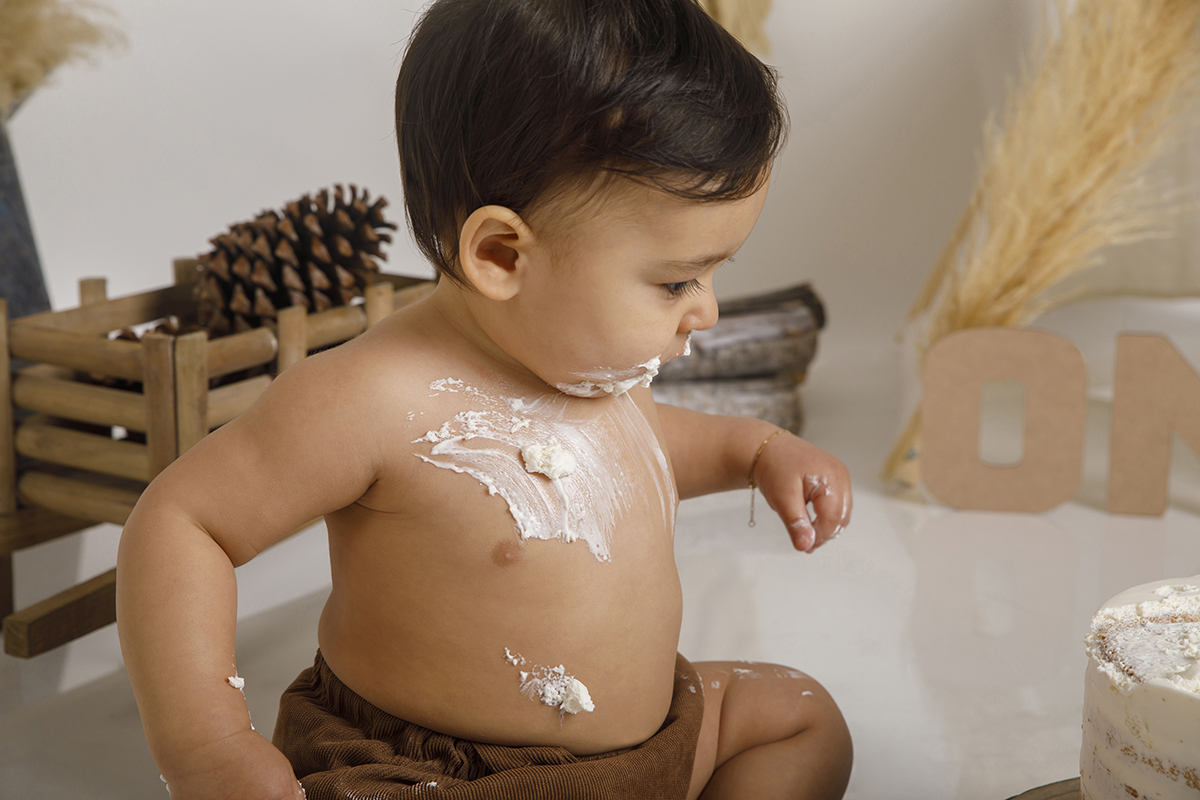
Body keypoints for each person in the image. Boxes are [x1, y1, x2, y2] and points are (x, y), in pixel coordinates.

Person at [116, 1, 854, 798]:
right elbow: (182, 523)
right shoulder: (375, 399)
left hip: (647, 752)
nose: (705, 309)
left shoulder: (587, 363)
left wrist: (757, 451)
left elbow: (644, 453)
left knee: (800, 718)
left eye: (711, 275)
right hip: (440, 774)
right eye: (677, 280)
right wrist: (209, 748)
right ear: (503, 254)